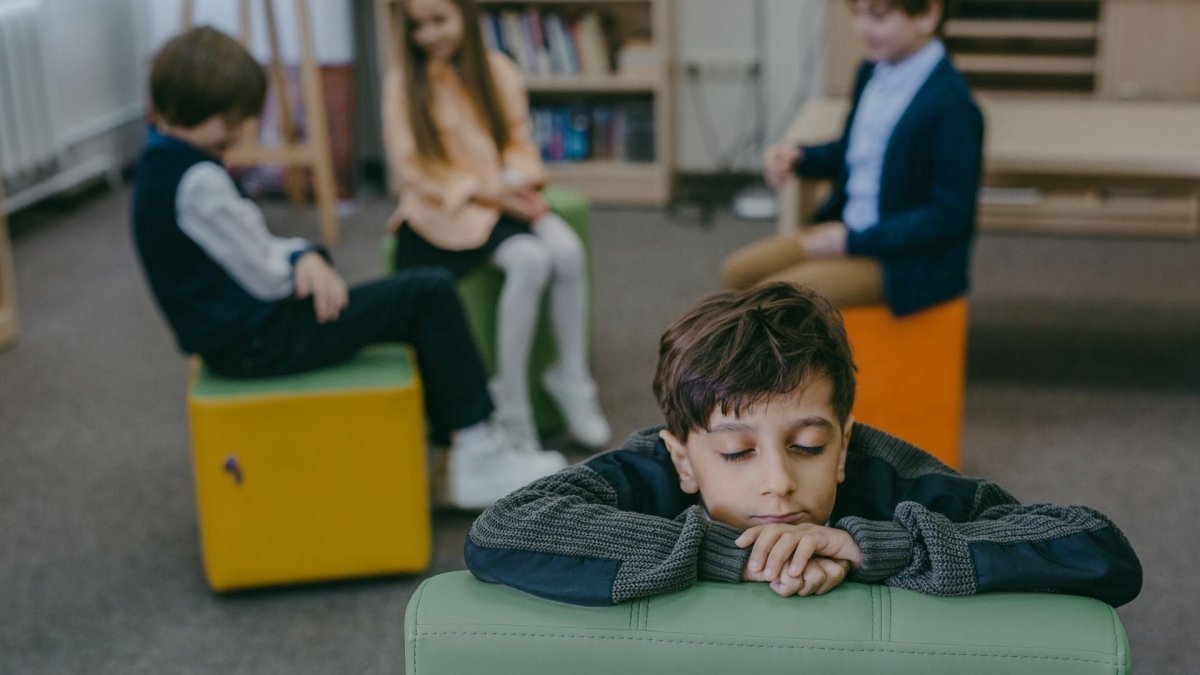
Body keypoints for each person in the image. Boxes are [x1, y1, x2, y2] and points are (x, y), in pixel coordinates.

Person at [464, 283, 1142, 607]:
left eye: (809, 445)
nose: (778, 483)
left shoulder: (887, 472)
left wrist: (867, 544)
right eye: (736, 453)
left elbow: (1100, 552)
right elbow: (499, 530)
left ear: (843, 444)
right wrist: (727, 553)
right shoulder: (653, 468)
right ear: (683, 457)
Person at [130, 26, 564, 509]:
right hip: (261, 339)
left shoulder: (157, 164)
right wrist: (304, 257)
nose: (236, 135)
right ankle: (476, 449)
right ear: (197, 109)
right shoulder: (199, 181)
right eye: (230, 123)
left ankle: (454, 454)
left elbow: (245, 247)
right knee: (428, 294)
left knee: (414, 300)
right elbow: (268, 276)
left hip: (236, 335)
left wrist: (301, 254)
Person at [381, 0, 611, 454]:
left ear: (465, 14)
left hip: (501, 199)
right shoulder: (403, 85)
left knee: (566, 249)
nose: (430, 35)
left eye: (439, 21)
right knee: (530, 259)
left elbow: (518, 142)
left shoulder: (498, 71)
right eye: (417, 27)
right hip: (445, 207)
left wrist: (517, 183)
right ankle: (512, 401)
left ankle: (571, 378)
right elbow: (418, 170)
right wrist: (492, 192)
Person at [722, 0, 983, 318]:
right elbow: (853, 151)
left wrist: (851, 241)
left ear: (928, 15)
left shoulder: (952, 105)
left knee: (777, 302)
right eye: (857, 14)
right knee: (736, 273)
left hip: (901, 261)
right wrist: (799, 157)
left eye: (878, 16)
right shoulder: (871, 71)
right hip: (849, 232)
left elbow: (948, 215)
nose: (861, 28)